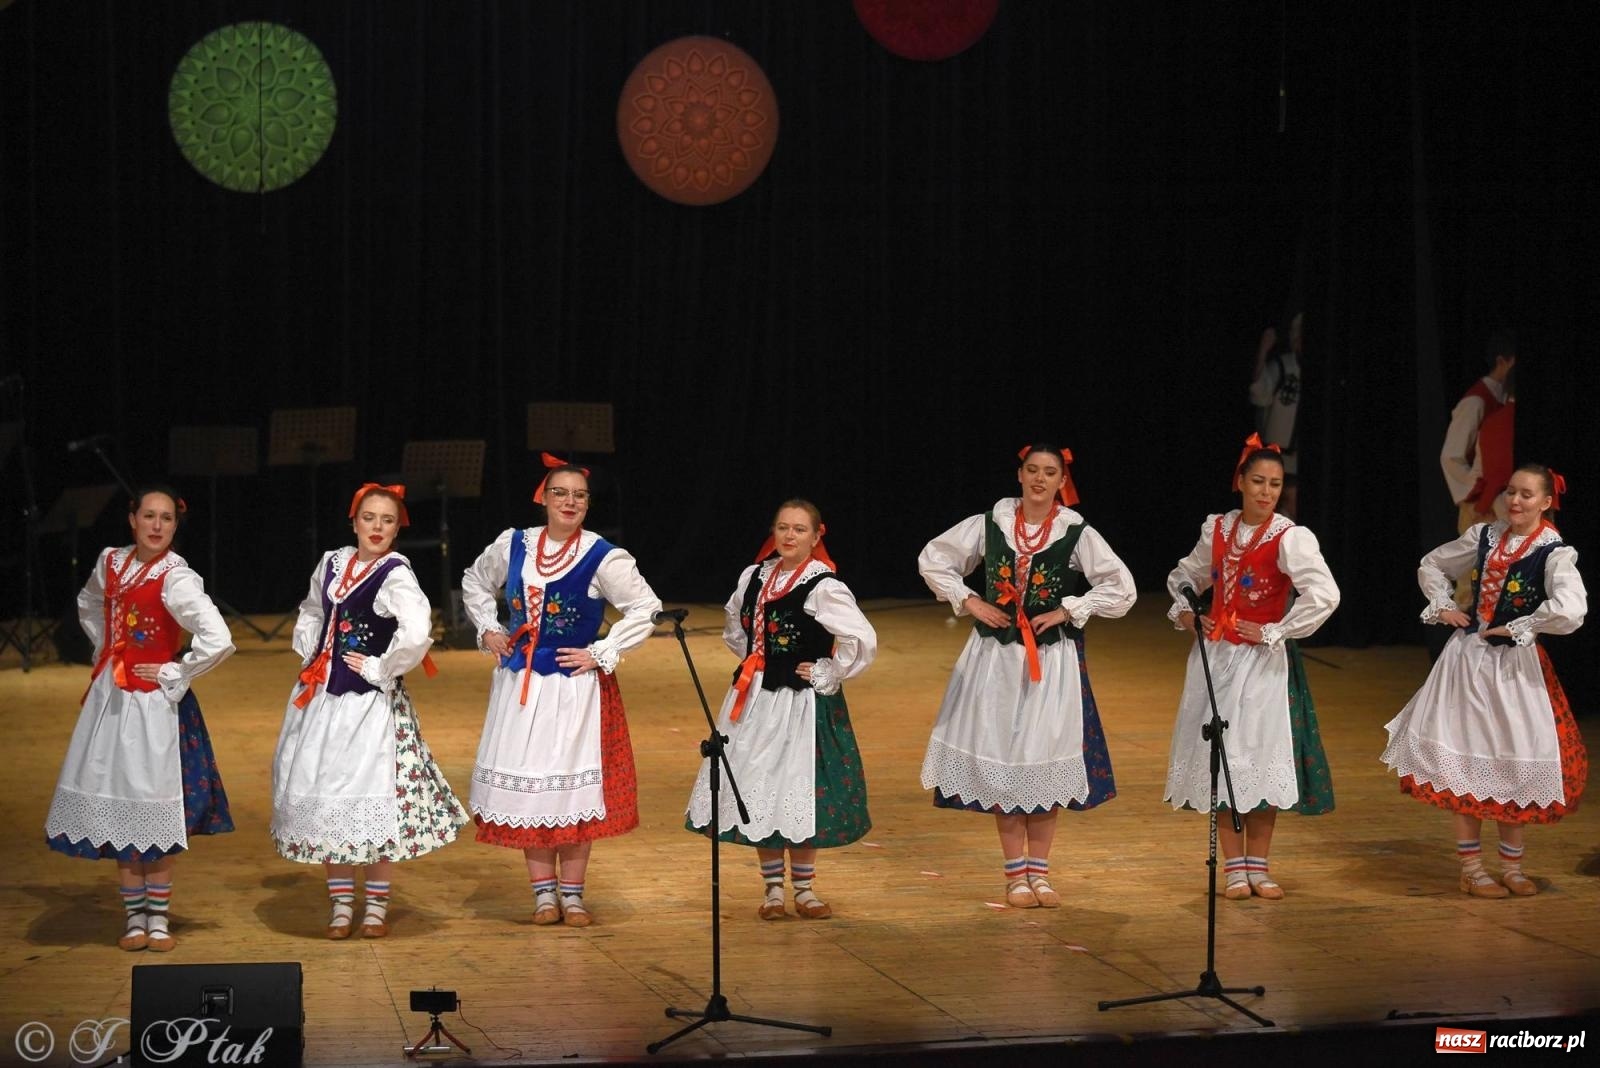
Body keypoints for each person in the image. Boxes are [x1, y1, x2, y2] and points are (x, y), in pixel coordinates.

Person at [918, 444, 1136, 908]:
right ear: (1020, 474)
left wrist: (1068, 610)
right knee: (1003, 761)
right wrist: (970, 600)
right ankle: (1014, 875)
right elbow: (933, 559)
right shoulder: (990, 523)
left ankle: (1041, 874)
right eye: (1032, 470)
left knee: (1043, 757)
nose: (1040, 479)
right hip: (994, 661)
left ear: (1062, 481)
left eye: (1050, 472)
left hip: (1050, 664)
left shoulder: (1074, 531)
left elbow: (1121, 588)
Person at [461, 455, 661, 928]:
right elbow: (474, 581)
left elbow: (646, 608)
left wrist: (602, 651)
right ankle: (543, 896)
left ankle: (572, 896)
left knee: (569, 791)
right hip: (520, 685)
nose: (570, 502)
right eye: (560, 493)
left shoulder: (601, 555)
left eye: (579, 495)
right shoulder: (514, 545)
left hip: (573, 690)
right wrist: (489, 627)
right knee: (532, 789)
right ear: (543, 498)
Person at [270, 483, 467, 939]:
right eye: (369, 518)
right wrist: (311, 653)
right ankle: (341, 906)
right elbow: (311, 611)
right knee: (328, 797)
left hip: (368, 706)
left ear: (398, 528)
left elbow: (417, 630)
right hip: (322, 700)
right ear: (353, 521)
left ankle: (375, 908)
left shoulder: (395, 572)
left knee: (371, 796)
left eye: (387, 520)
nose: (377, 528)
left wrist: (382, 666)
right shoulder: (332, 563)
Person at [44, 486, 235, 952]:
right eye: (148, 516)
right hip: (113, 702)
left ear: (174, 525)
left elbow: (218, 637)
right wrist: (106, 648)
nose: (156, 526)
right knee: (121, 803)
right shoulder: (110, 561)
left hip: (155, 707)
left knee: (153, 804)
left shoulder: (177, 577)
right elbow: (90, 602)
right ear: (132, 519)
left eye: (166, 518)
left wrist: (175, 668)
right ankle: (133, 919)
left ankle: (159, 919)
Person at [1381, 464, 1586, 898]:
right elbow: (1433, 565)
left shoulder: (1552, 552)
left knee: (1512, 759)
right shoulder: (1484, 537)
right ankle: (1472, 868)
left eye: (1527, 495)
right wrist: (1443, 606)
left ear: (1547, 502)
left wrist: (1523, 624)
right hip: (1468, 662)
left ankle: (1512, 867)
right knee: (1468, 759)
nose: (1515, 501)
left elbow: (1572, 607)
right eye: (1511, 492)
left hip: (1515, 670)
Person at [1163, 434, 1340, 900]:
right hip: (1218, 658)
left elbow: (1324, 593)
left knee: (1260, 757)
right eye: (1258, 481)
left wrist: (1273, 631)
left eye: (1275, 484)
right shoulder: (1218, 529)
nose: (1266, 492)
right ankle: (1234, 868)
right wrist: (1186, 612)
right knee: (1224, 757)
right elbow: (1185, 576)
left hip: (1262, 663)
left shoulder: (1289, 537)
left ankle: (1258, 865)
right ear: (1240, 482)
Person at [685, 500, 877, 919]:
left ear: (816, 535)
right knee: (759, 784)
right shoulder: (754, 576)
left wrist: (830, 669)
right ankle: (773, 889)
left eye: (800, 530)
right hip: (755, 698)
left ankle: (804, 889)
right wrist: (756, 662)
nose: (790, 536)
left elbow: (860, 637)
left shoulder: (823, 585)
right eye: (783, 528)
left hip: (799, 702)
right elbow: (735, 622)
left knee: (797, 786)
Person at [1250, 312, 1303, 519]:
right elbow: (1259, 394)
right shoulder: (1283, 367)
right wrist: (1263, 351)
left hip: (1296, 461)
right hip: (1274, 456)